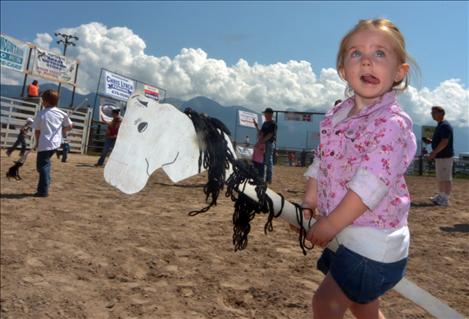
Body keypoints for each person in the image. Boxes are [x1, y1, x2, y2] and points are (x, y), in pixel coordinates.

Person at [302, 19, 417, 318]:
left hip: (373, 243)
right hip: (348, 234)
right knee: (363, 307)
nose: (366, 60)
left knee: (325, 303)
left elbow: (371, 185)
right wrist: (310, 200)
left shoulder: (392, 124)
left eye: (380, 53)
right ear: (343, 68)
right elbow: (321, 159)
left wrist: (329, 224)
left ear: (399, 72)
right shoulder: (336, 115)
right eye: (356, 53)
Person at [32, 90, 73, 197]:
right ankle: (47, 181)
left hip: (44, 144)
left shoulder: (41, 114)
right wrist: (63, 129)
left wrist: (37, 143)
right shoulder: (61, 113)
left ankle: (43, 191)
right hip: (55, 144)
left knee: (42, 166)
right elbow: (70, 126)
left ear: (46, 101)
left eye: (42, 100)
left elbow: (37, 131)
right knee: (45, 164)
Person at [427, 106, 454, 206]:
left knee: (445, 178)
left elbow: (444, 142)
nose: (432, 114)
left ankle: (445, 198)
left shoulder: (444, 126)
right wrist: (432, 141)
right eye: (432, 113)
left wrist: (434, 152)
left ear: (441, 113)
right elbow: (442, 140)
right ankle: (441, 195)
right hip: (442, 156)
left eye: (434, 112)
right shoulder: (441, 125)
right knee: (441, 177)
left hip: (444, 156)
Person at [254, 108, 277, 183]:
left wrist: (262, 141)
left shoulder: (273, 123)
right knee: (263, 160)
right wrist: (256, 126)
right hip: (263, 144)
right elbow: (261, 133)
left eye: (265, 113)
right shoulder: (265, 123)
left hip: (269, 143)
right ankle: (263, 177)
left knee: (268, 161)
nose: (264, 115)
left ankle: (268, 178)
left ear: (270, 114)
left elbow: (270, 135)